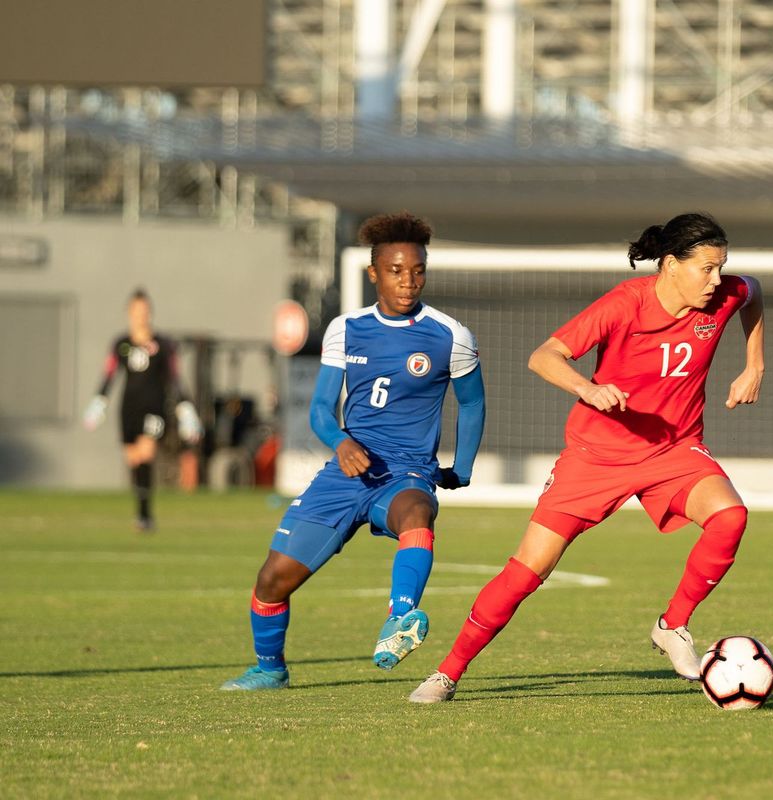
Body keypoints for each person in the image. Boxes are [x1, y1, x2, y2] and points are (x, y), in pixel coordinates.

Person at [409, 212, 764, 703]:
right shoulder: (624, 304)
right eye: (706, 268)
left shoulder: (722, 297)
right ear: (669, 265)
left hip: (674, 450)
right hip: (596, 457)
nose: (717, 279)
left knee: (730, 517)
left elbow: (754, 291)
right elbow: (544, 356)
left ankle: (673, 625)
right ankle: (447, 672)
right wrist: (587, 388)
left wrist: (754, 363)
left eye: (721, 267)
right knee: (526, 572)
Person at [221, 211, 486, 691]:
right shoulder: (346, 329)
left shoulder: (451, 336)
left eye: (418, 270)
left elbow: (473, 403)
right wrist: (341, 442)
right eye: (396, 271)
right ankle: (269, 668)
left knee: (417, 514)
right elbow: (321, 410)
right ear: (374, 273)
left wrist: (461, 468)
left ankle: (400, 618)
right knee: (271, 581)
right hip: (346, 474)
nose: (409, 282)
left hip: (406, 472)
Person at [83, 289, 203, 531]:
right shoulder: (121, 344)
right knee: (134, 460)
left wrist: (186, 410)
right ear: (130, 313)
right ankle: (141, 511)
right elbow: (109, 375)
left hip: (154, 408)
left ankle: (145, 517)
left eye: (145, 311)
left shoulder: (163, 345)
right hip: (128, 409)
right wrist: (99, 403)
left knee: (146, 455)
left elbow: (175, 379)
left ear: (151, 313)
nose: (141, 316)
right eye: (137, 311)